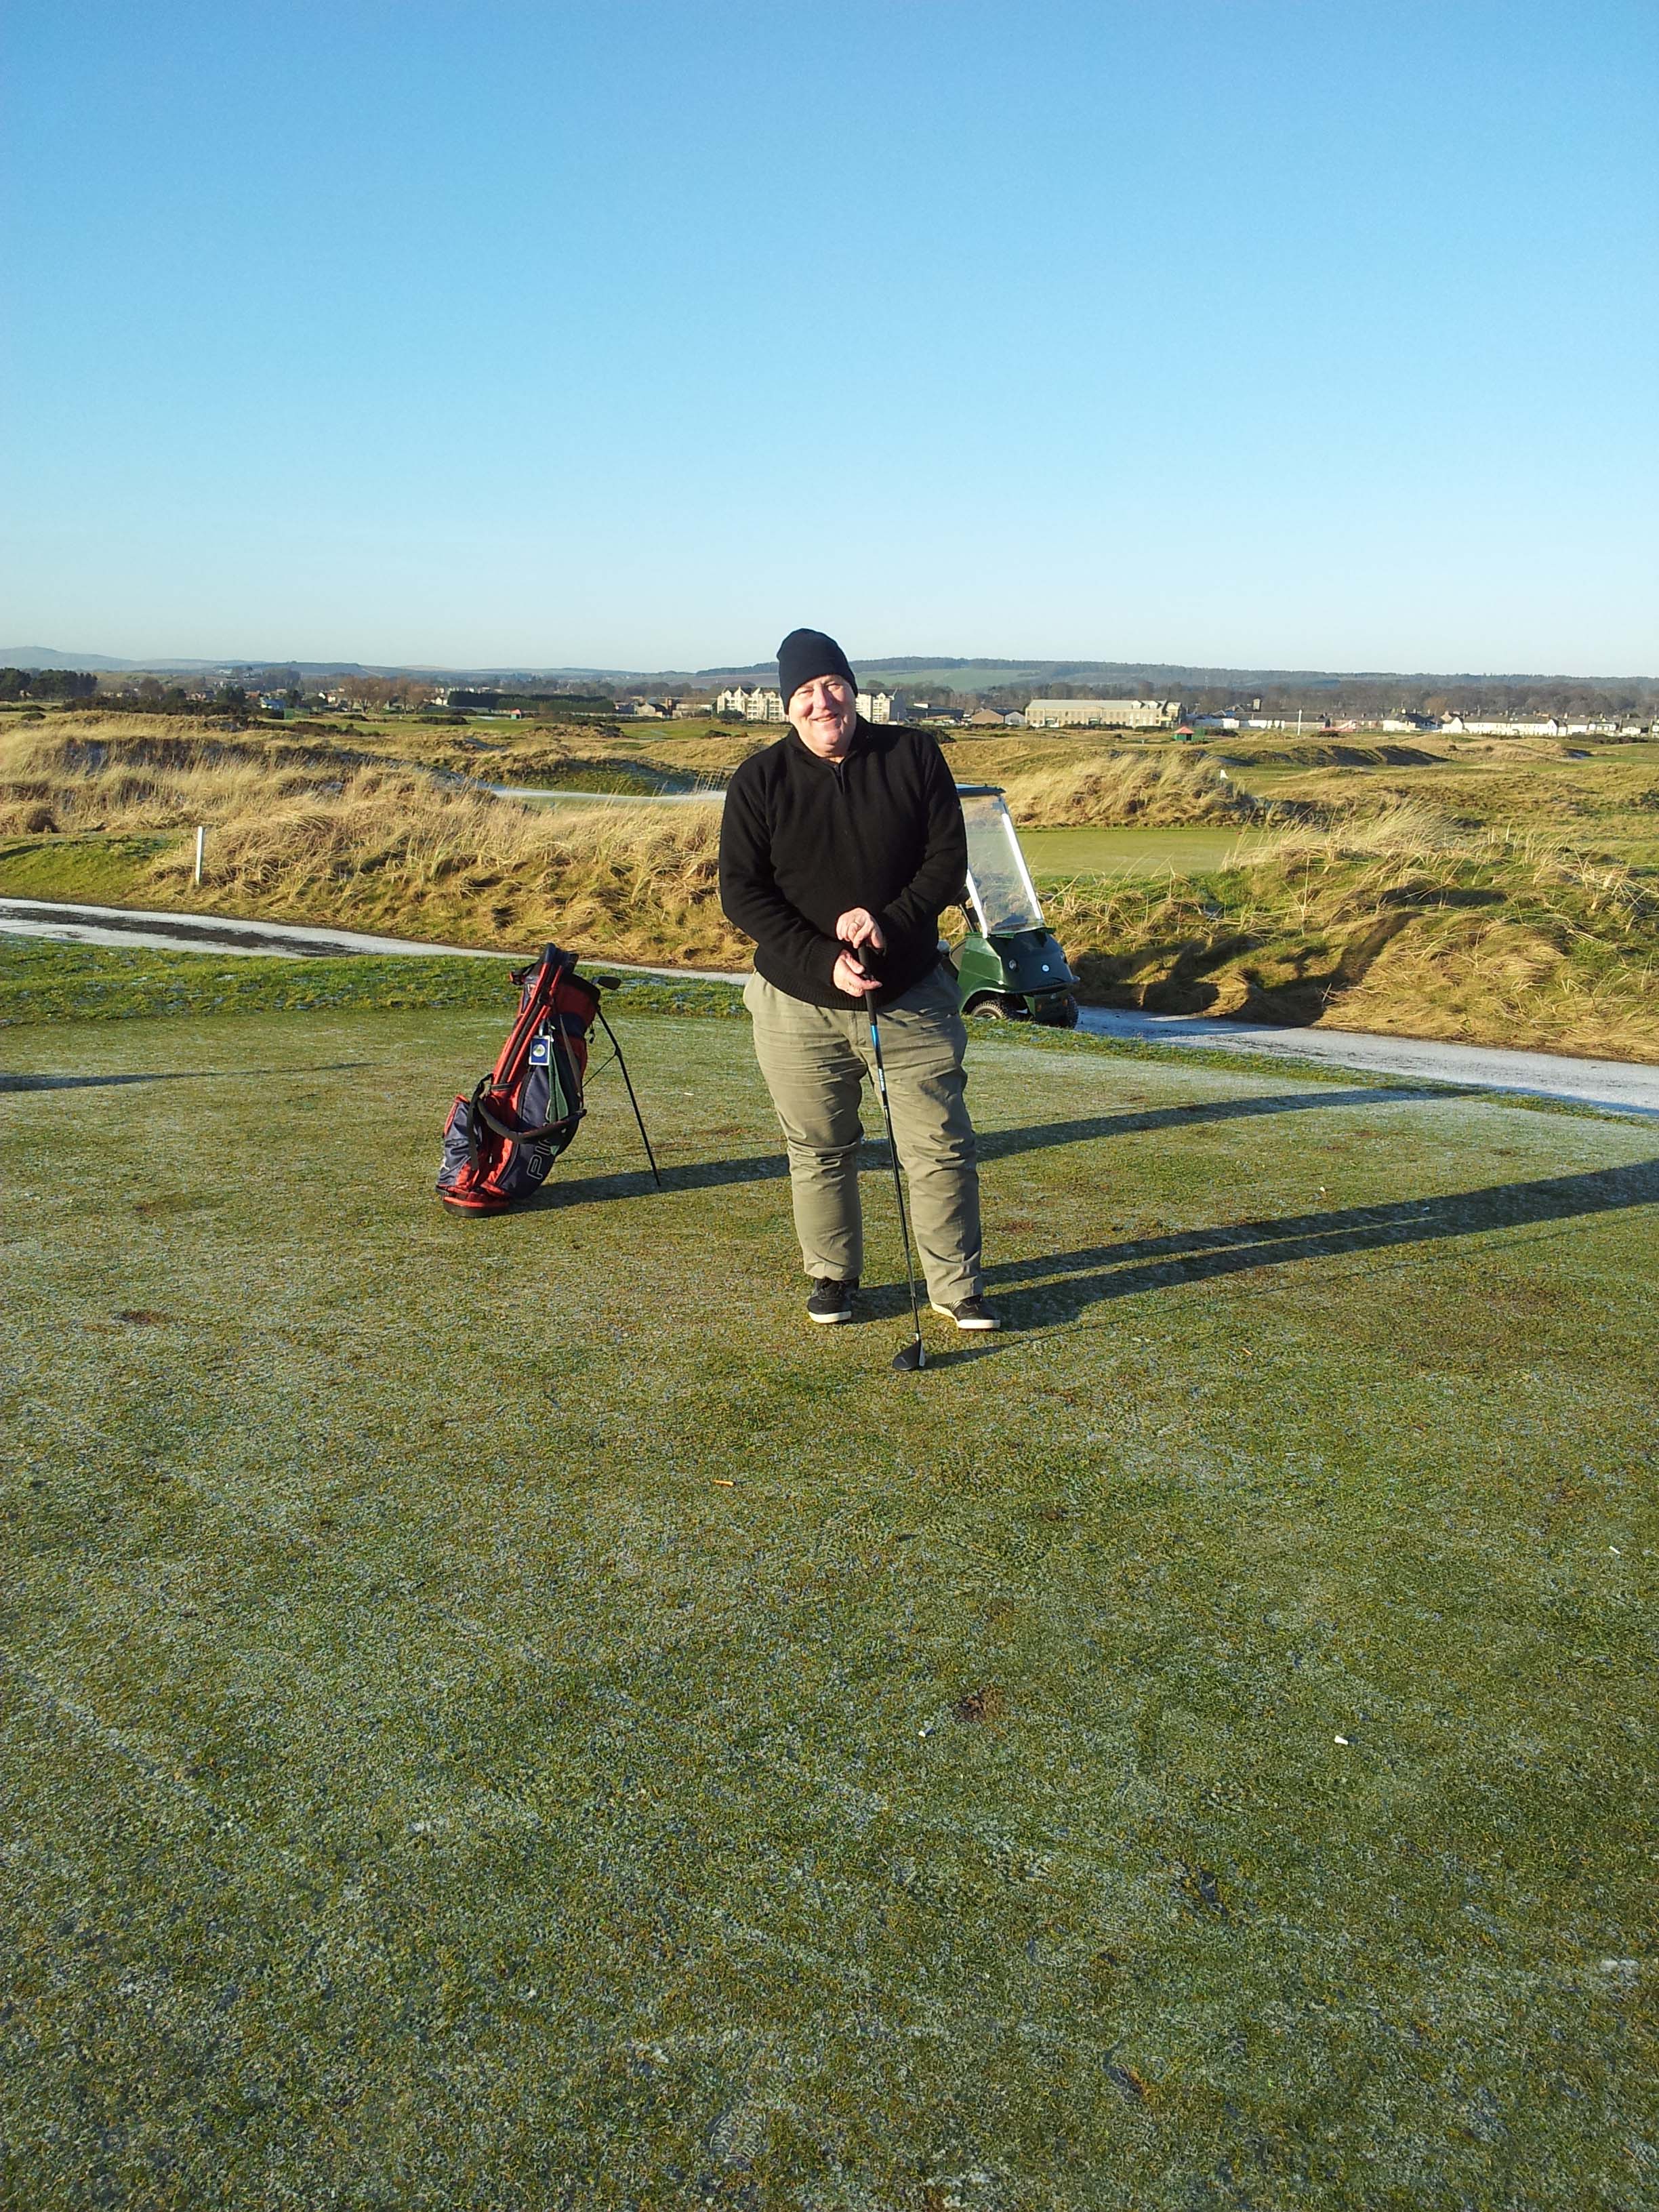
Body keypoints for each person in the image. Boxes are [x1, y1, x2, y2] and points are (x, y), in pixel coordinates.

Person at [718, 626, 1000, 1332]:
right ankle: (833, 1276)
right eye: (806, 692)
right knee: (819, 1148)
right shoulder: (759, 780)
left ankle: (956, 1287)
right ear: (787, 705)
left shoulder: (914, 754)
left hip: (909, 993)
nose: (823, 702)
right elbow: (742, 892)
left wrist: (888, 923)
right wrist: (821, 958)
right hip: (796, 1000)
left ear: (853, 689)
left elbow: (946, 861)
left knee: (939, 1147)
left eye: (833, 685)